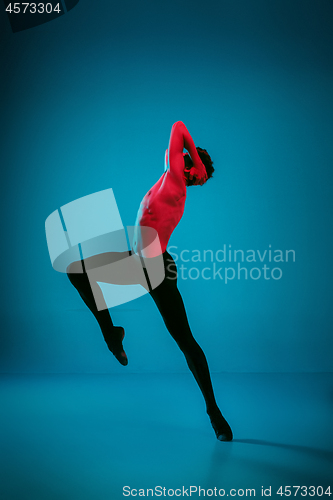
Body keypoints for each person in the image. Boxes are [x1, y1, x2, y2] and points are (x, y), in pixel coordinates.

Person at [66, 121, 233, 441]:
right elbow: (178, 135)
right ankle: (111, 333)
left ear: (187, 168)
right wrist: (196, 163)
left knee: (186, 342)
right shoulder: (168, 177)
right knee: (77, 271)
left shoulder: (174, 181)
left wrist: (195, 165)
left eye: (187, 161)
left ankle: (214, 413)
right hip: (137, 261)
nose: (178, 157)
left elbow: (178, 128)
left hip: (157, 268)